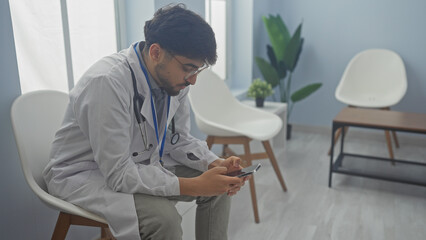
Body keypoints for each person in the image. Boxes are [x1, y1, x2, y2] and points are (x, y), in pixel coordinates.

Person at [43, 3, 248, 240]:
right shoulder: (107, 82)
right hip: (86, 174)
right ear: (155, 52)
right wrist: (195, 185)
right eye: (189, 68)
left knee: (220, 184)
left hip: (139, 162)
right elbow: (118, 174)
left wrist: (214, 164)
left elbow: (177, 140)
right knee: (165, 220)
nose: (193, 80)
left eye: (198, 70)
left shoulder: (175, 81)